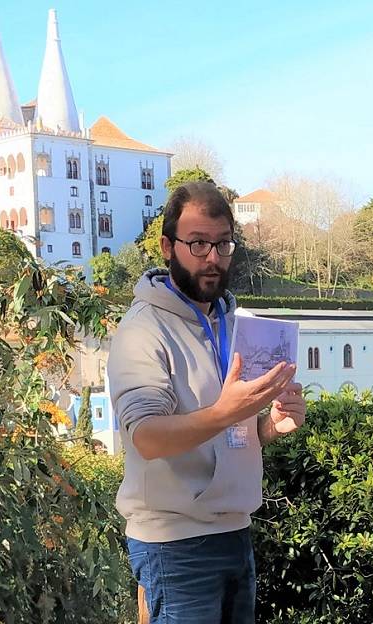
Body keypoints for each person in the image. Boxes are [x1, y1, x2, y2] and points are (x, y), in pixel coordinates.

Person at [108, 181, 306, 624]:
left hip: (236, 532)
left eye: (222, 243)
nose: (213, 258)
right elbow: (146, 437)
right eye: (197, 243)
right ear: (167, 246)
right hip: (173, 545)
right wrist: (227, 411)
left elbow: (229, 431)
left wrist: (269, 425)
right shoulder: (143, 330)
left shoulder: (234, 321)